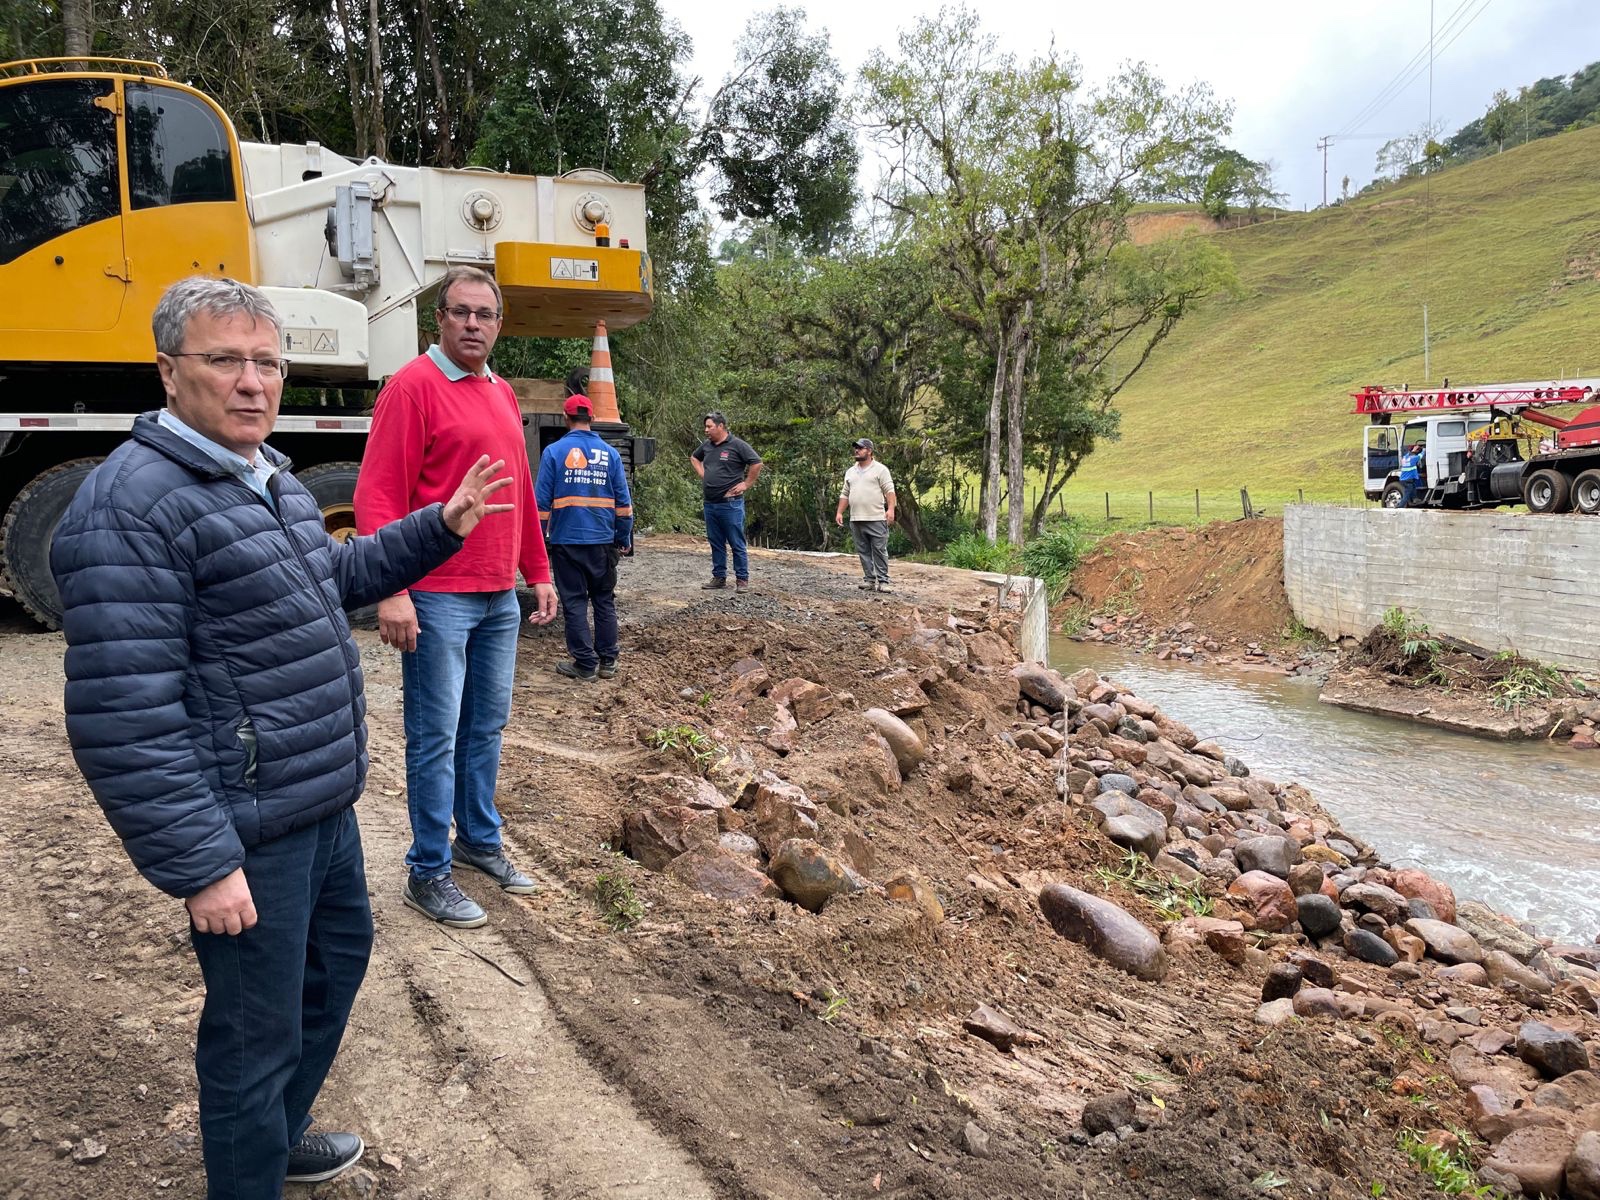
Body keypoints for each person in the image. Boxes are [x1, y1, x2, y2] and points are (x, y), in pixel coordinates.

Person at [50, 276, 513, 1198]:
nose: (253, 382)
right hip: (246, 824)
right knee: (253, 1036)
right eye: (225, 359)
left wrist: (438, 526)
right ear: (169, 372)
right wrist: (200, 863)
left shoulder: (267, 478)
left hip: (316, 803)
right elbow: (121, 713)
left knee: (333, 972)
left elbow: (331, 579)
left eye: (267, 361)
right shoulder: (131, 507)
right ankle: (249, 1165)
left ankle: (275, 1136)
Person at [353, 266, 558, 931]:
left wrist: (538, 570)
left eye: (485, 314)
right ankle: (428, 871)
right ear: (437, 319)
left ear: (500, 325)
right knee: (435, 736)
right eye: (461, 312)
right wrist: (392, 588)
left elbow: (519, 491)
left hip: (498, 594)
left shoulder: (498, 390)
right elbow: (379, 494)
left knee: (484, 730)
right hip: (437, 594)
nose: (473, 323)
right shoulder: (412, 388)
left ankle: (477, 841)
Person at [536, 393, 635, 681]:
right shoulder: (611, 454)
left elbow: (541, 503)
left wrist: (540, 540)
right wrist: (623, 535)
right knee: (604, 599)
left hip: (568, 541)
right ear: (591, 418)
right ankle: (607, 661)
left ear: (566, 419)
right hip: (603, 541)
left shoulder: (554, 452)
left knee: (575, 602)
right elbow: (623, 501)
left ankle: (584, 664)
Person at [691, 411, 762, 592]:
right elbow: (694, 458)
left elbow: (756, 462)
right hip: (710, 503)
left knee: (736, 542)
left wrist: (746, 484)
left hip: (730, 504)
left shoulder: (737, 445)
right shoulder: (706, 446)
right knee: (716, 542)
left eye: (709, 426)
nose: (706, 430)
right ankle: (719, 577)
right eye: (705, 427)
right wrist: (703, 474)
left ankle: (742, 580)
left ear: (721, 426)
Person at [834, 437, 897, 593]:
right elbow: (845, 493)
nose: (857, 450)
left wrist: (890, 509)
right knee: (863, 550)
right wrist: (840, 512)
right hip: (856, 518)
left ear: (869, 451)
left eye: (860, 448)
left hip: (876, 517)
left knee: (879, 550)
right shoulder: (850, 471)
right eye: (856, 448)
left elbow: (889, 490)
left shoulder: (880, 469)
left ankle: (883, 581)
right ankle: (869, 579)